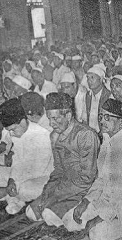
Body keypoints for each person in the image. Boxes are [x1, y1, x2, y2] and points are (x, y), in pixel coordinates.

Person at [62, 98, 122, 240]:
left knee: (97, 236)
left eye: (108, 117)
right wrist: (86, 201)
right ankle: (102, 222)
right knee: (69, 219)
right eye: (100, 116)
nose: (102, 121)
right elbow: (100, 179)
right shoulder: (107, 142)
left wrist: (99, 218)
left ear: (121, 122)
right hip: (105, 201)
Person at [26, 92, 99, 227]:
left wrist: (55, 196)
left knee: (48, 215)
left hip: (83, 189)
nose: (51, 123)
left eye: (55, 118)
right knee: (31, 212)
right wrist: (46, 194)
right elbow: (58, 171)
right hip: (64, 186)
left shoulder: (85, 135)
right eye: (49, 119)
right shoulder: (55, 136)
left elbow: (87, 178)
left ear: (69, 115)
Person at [0, 98, 54, 214]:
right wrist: (12, 180)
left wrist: (8, 187)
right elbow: (17, 161)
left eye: (12, 130)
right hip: (24, 175)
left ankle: (15, 198)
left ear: (22, 122)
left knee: (26, 189)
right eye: (9, 131)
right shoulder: (18, 133)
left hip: (43, 177)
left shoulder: (42, 135)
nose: (10, 134)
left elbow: (37, 170)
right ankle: (14, 200)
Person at [81, 66, 111, 133]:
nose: (89, 81)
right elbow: (84, 119)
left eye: (92, 77)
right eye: (87, 78)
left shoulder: (108, 96)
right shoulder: (87, 95)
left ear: (100, 80)